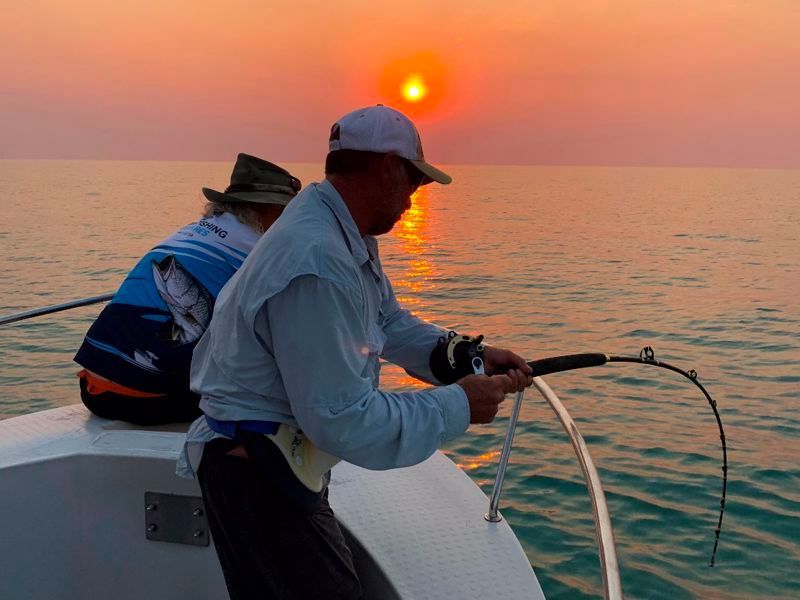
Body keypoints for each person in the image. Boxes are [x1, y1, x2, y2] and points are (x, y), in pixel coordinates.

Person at [177, 105, 533, 599]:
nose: (414, 200)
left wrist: (465, 356)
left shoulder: (340, 230)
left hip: (282, 462)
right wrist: (460, 404)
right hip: (257, 475)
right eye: (414, 182)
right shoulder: (318, 258)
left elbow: (385, 320)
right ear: (389, 167)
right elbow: (341, 418)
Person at [73, 154, 301, 425]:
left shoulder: (191, 232)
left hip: (93, 390)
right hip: (145, 399)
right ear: (263, 210)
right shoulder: (257, 252)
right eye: (285, 212)